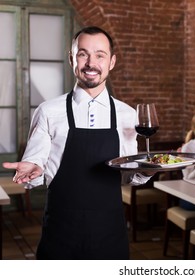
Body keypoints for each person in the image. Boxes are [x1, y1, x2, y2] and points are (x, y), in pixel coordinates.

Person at [1, 26, 152, 260]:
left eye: (100, 55)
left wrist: (146, 170)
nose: (91, 63)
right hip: (61, 231)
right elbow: (37, 166)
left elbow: (128, 175)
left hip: (110, 230)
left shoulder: (128, 115)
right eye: (83, 54)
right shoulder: (48, 111)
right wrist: (33, 171)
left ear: (111, 62)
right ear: (72, 59)